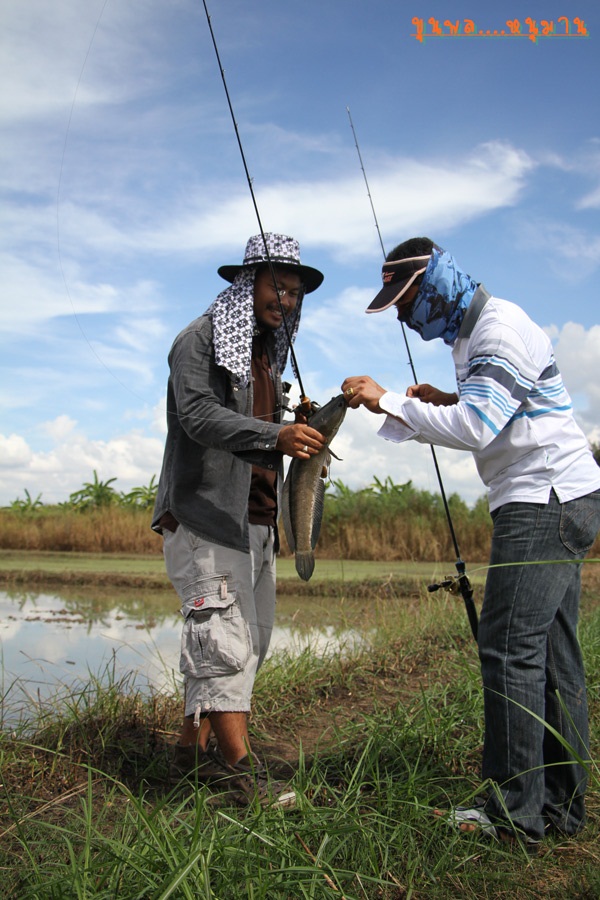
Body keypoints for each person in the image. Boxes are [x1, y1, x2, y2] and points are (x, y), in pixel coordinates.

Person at [341, 237, 600, 845]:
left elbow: (479, 428)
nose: (404, 317)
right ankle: (559, 807)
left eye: (406, 303)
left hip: (545, 501)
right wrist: (443, 398)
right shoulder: (473, 338)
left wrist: (389, 399)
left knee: (507, 649)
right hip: (564, 496)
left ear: (436, 286)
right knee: (553, 659)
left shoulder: (499, 330)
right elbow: (501, 409)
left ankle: (514, 819)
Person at [152, 233, 326, 808]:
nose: (288, 300)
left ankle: (190, 751)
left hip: (257, 518)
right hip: (206, 516)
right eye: (279, 286)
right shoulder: (198, 340)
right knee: (223, 641)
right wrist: (275, 433)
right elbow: (199, 416)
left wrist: (307, 416)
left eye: (296, 292)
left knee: (247, 642)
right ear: (247, 282)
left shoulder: (265, 352)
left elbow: (272, 432)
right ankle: (238, 769)